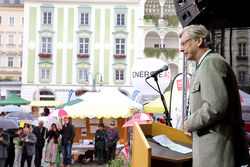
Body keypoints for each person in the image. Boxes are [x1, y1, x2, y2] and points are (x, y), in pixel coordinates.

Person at [180, 24, 249, 167]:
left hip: (216, 155)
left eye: (184, 43)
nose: (181, 49)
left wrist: (190, 123)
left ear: (199, 41)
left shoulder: (211, 62)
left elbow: (216, 107)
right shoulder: (207, 63)